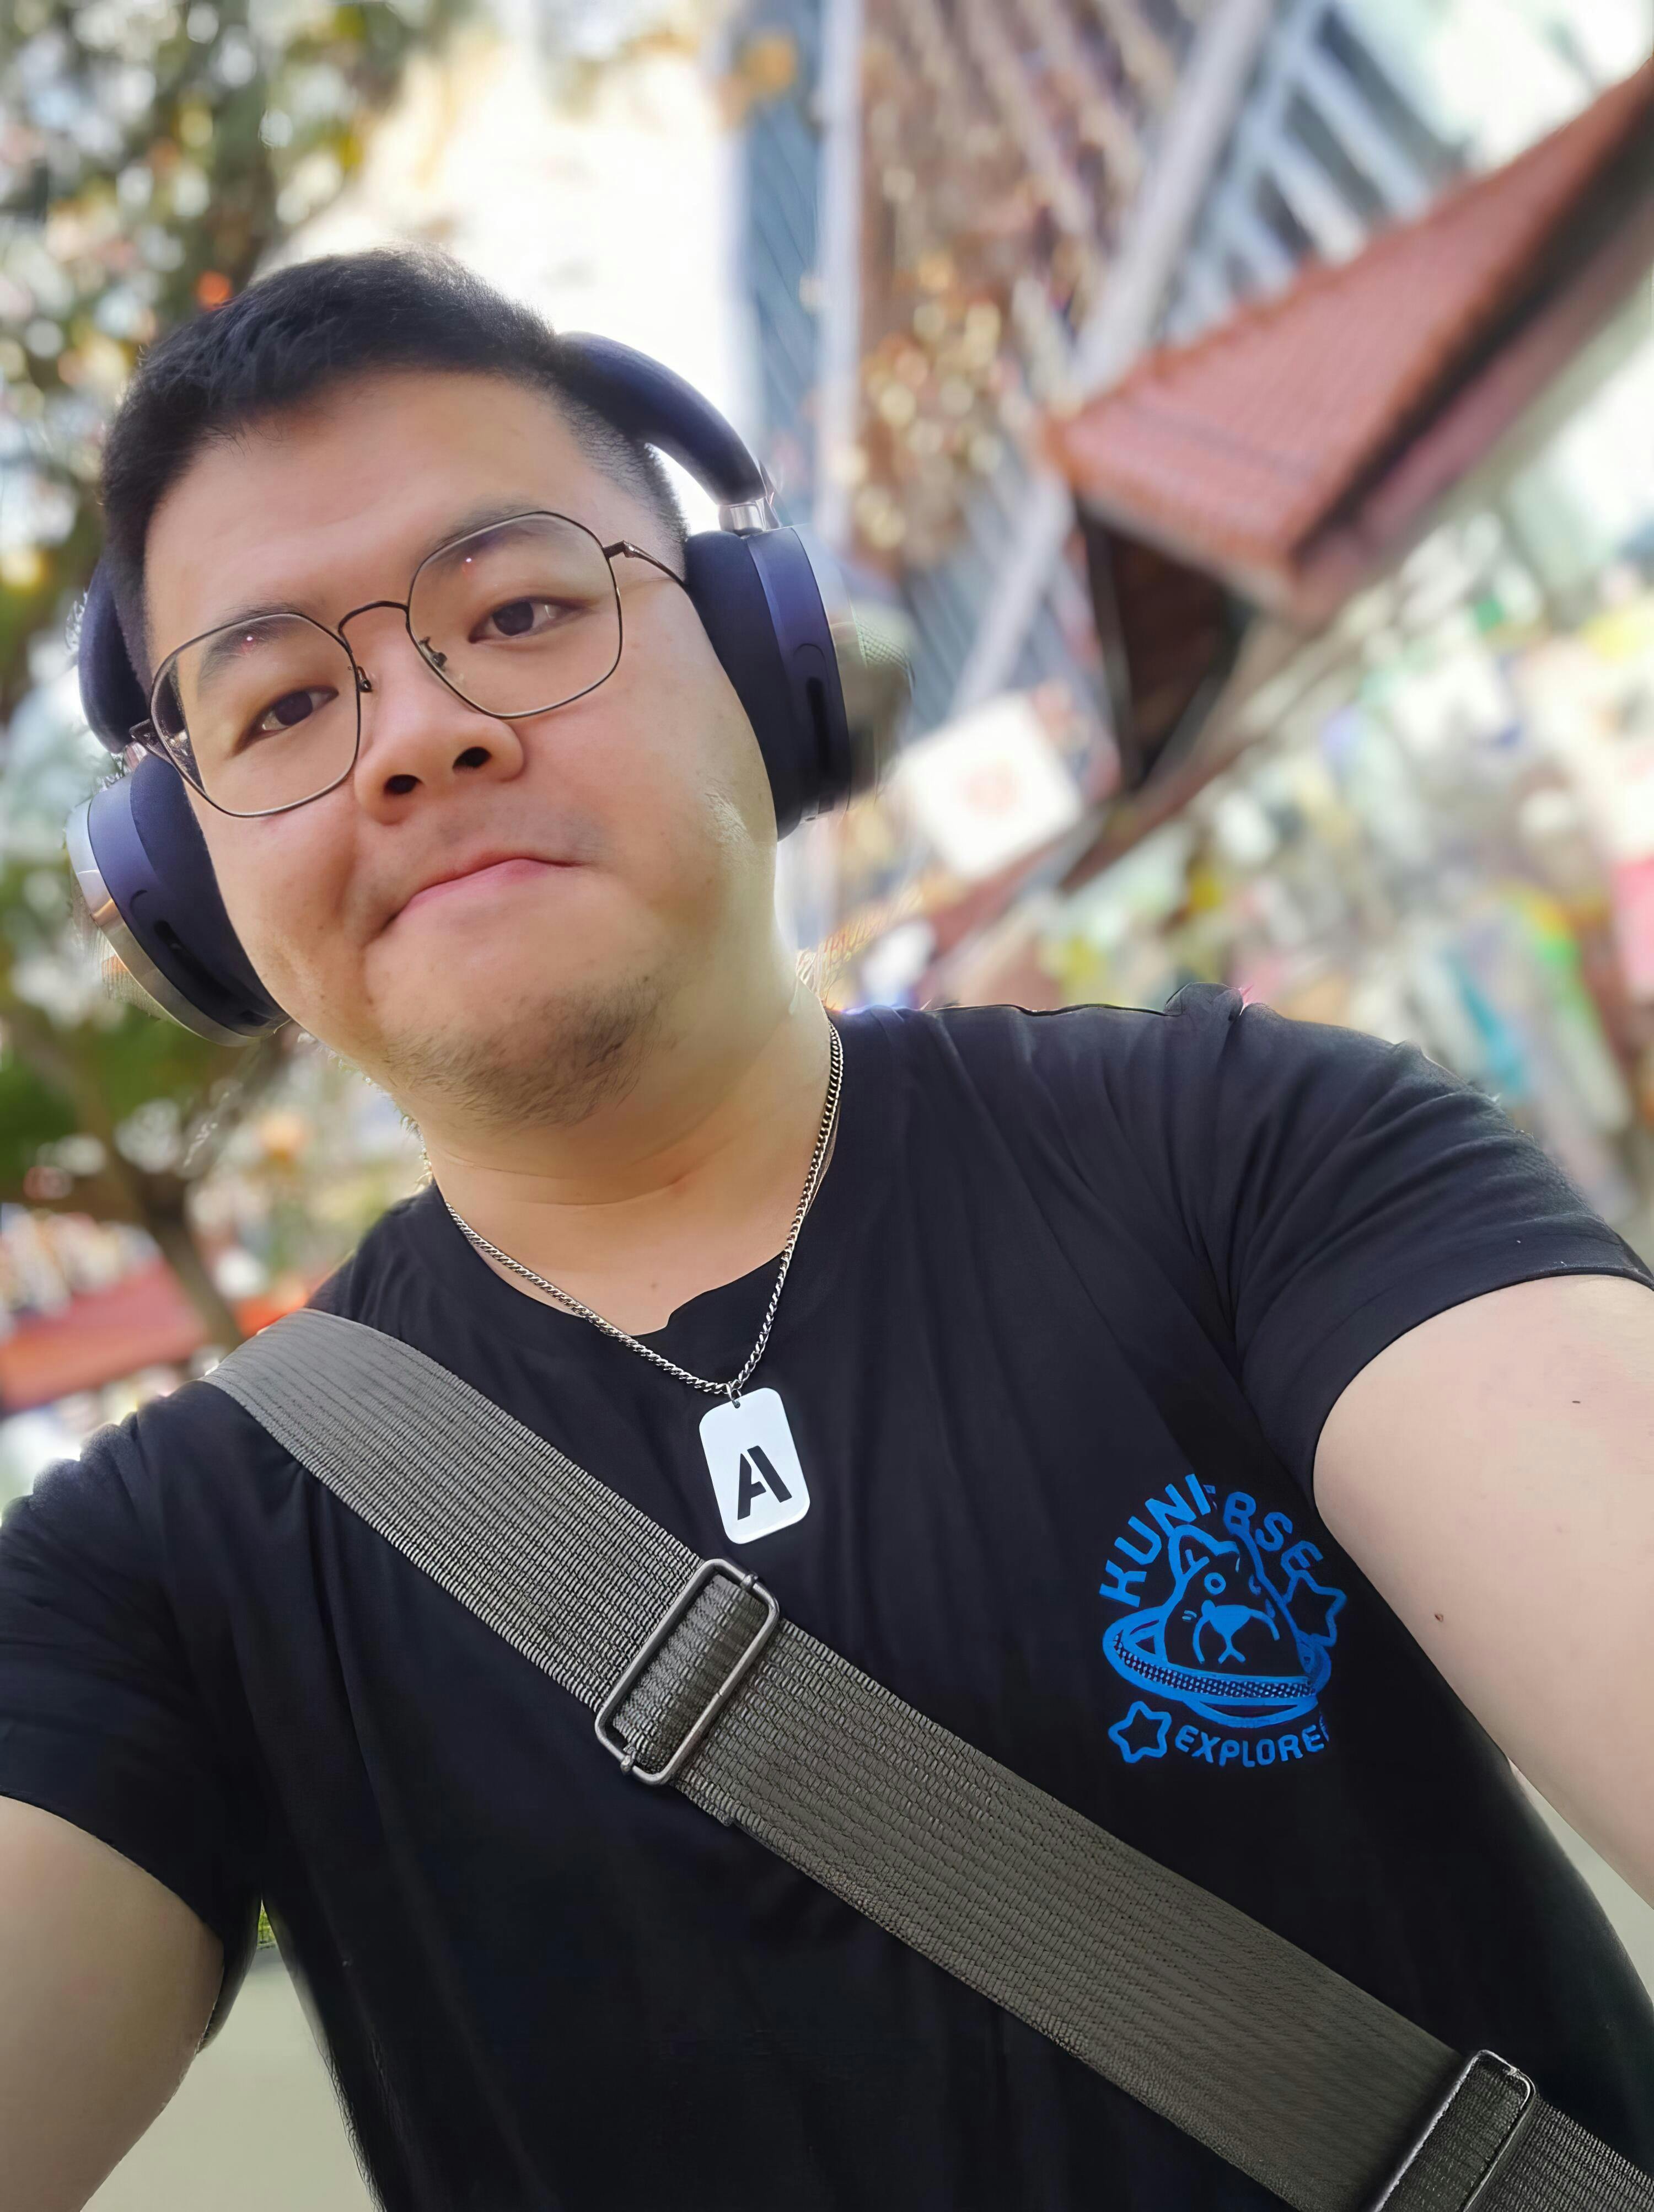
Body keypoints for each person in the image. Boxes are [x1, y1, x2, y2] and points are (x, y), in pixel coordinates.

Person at [2, 249, 1653, 2212]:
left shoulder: (1259, 1154)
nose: (415, 734)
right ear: (189, 879)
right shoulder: (167, 1572)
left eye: (518, 609)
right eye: (281, 705)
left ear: (753, 652)